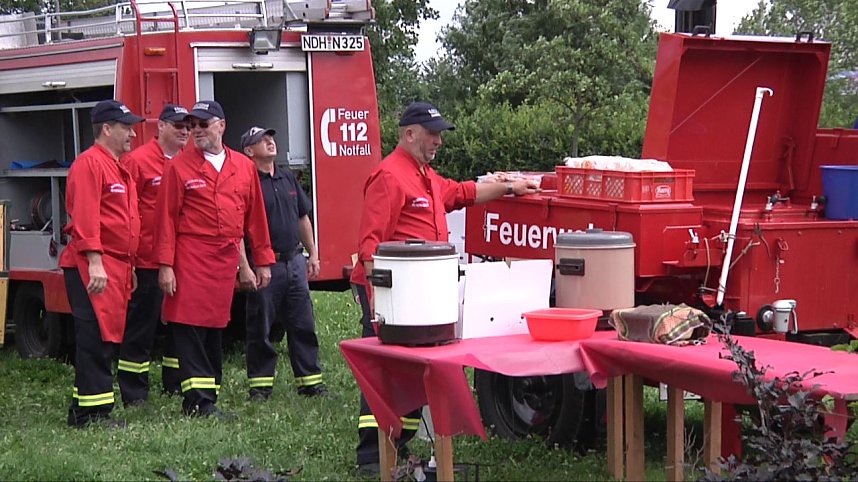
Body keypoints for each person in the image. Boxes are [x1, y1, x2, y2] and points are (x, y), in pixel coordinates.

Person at [350, 101, 540, 473]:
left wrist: (509, 188)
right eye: (432, 133)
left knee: (410, 371)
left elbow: (463, 193)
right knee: (386, 373)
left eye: (439, 134)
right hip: (391, 295)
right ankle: (372, 456)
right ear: (409, 134)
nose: (438, 140)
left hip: (418, 296)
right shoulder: (390, 176)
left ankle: (399, 446)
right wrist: (378, 303)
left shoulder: (426, 176)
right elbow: (369, 244)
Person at [154, 100, 274, 419]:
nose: (196, 131)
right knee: (189, 327)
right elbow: (165, 219)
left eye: (203, 125)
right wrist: (165, 266)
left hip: (223, 261)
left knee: (213, 329)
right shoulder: (179, 167)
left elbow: (255, 220)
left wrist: (261, 262)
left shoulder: (243, 167)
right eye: (192, 126)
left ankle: (209, 394)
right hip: (190, 258)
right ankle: (198, 401)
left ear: (221, 126)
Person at [60, 99, 144, 427]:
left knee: (105, 339)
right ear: (106, 129)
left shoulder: (117, 166)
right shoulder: (89, 164)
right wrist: (95, 260)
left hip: (117, 265)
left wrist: (131, 265)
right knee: (95, 339)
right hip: (92, 265)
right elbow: (85, 216)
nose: (133, 135)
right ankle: (94, 415)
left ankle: (83, 410)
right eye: (126, 128)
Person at [238, 126, 328, 400]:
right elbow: (238, 229)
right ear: (249, 151)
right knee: (261, 328)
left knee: (303, 324)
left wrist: (312, 253)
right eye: (261, 140)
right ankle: (260, 387)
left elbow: (303, 218)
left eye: (271, 138)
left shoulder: (288, 178)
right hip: (266, 265)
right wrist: (245, 266)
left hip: (294, 262)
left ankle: (311, 382)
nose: (270, 142)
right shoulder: (246, 182)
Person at [117, 104, 189, 405]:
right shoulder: (138, 161)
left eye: (188, 126)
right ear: (160, 127)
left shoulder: (188, 163)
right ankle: (134, 392)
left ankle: (174, 383)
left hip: (181, 260)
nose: (184, 130)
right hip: (147, 259)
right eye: (177, 125)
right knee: (141, 329)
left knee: (178, 325)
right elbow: (126, 211)